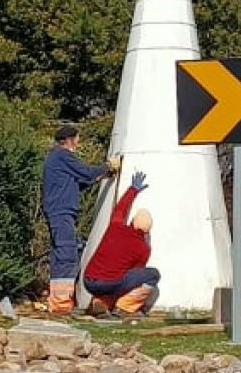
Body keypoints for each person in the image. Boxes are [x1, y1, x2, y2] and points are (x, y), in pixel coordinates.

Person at [42, 125, 117, 314]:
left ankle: (59, 302)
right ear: (68, 140)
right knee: (67, 254)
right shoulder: (62, 156)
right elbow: (86, 173)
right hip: (61, 211)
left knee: (61, 253)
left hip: (59, 211)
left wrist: (103, 175)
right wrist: (108, 166)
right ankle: (61, 304)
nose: (79, 142)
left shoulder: (56, 158)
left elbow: (81, 182)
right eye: (77, 138)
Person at [83, 170, 160, 318]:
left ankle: (100, 302)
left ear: (132, 221)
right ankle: (124, 307)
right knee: (152, 274)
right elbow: (135, 272)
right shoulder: (143, 249)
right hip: (110, 283)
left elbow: (121, 208)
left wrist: (133, 189)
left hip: (88, 280)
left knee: (113, 277)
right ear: (147, 231)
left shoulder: (115, 226)